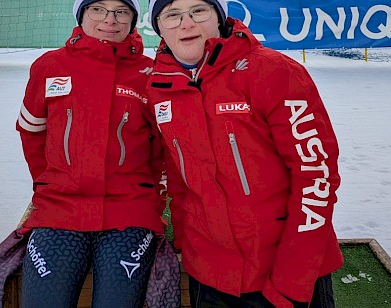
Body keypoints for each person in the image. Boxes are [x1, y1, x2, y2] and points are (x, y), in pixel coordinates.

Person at [146, 0, 344, 307]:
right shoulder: (158, 87)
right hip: (210, 276)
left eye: (198, 11)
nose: (186, 24)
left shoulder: (275, 71)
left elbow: (316, 176)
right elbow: (180, 179)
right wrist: (186, 244)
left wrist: (293, 278)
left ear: (219, 16)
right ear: (159, 27)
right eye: (172, 15)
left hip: (283, 272)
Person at [15, 0, 166, 306]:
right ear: (82, 15)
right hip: (58, 212)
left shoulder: (151, 73)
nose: (110, 19)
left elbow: (162, 150)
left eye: (121, 11)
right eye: (98, 9)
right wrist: (51, 184)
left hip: (129, 213)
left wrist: (150, 197)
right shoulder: (49, 66)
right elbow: (32, 133)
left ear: (133, 20)